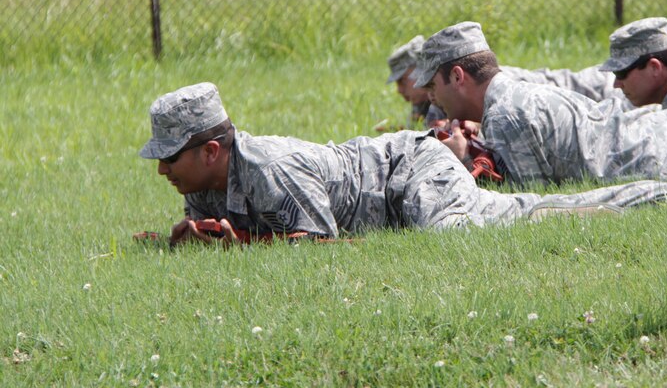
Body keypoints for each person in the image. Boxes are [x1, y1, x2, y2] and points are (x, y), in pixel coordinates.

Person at [140, 83, 617, 245]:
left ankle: (658, 195)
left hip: (409, 170)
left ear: (210, 152)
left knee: (473, 229)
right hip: (397, 192)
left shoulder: (270, 167)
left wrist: (239, 246)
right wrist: (190, 238)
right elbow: (227, 229)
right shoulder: (198, 183)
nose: (163, 170)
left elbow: (316, 248)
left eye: (169, 157)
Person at [411, 21, 667, 190]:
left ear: (457, 76)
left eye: (433, 86)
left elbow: (530, 204)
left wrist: (463, 161)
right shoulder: (516, 96)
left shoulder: (505, 115)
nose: (432, 97)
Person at [385, 35, 446, 128]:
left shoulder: (447, 97)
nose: (399, 90)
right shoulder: (421, 104)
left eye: (403, 80)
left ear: (422, 71)